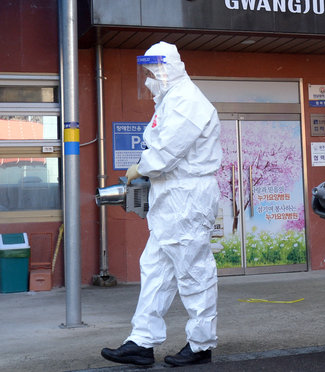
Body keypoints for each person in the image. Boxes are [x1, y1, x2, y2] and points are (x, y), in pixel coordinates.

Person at [101, 41, 222, 366]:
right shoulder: (171, 101)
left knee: (193, 272)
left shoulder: (186, 102)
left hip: (187, 198)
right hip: (171, 199)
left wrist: (141, 167)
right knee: (155, 269)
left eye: (150, 74)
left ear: (163, 71)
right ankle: (141, 342)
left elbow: (166, 153)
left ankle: (201, 345)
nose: (146, 81)